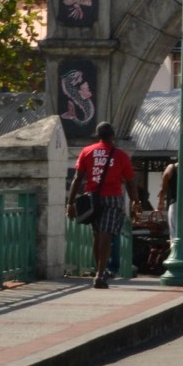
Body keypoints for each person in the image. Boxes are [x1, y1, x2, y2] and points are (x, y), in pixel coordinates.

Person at [66, 122, 139, 289]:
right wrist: (135, 200)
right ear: (112, 136)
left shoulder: (87, 151)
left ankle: (99, 270)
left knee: (98, 234)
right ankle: (100, 273)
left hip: (93, 199)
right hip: (113, 198)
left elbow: (78, 178)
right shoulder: (121, 156)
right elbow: (130, 181)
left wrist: (70, 203)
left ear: (97, 135)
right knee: (105, 234)